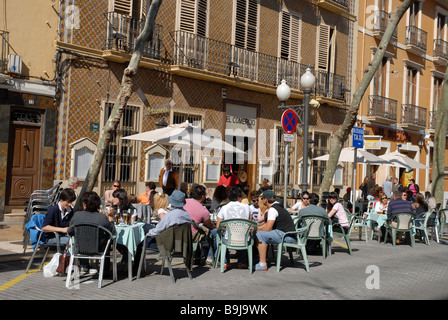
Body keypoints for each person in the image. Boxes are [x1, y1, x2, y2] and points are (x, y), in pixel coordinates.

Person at [69, 191, 116, 274]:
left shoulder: (76, 215)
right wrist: (111, 219)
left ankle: (85, 266)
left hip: (80, 248)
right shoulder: (102, 217)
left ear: (84, 204)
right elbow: (112, 232)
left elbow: (70, 232)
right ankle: (105, 270)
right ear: (98, 204)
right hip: (98, 248)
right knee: (106, 240)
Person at [255, 190, 296, 271]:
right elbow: (266, 225)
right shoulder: (278, 206)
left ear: (266, 199)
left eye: (263, 198)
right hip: (289, 234)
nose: (262, 200)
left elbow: (267, 228)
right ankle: (260, 259)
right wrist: (258, 227)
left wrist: (256, 229)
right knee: (260, 232)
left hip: (286, 236)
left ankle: (262, 264)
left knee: (260, 235)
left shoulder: (273, 210)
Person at [216, 186, 251, 269]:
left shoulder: (224, 208)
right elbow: (250, 223)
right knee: (244, 234)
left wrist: (225, 228)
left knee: (221, 235)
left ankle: (225, 261)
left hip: (229, 239)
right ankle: (242, 262)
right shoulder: (247, 207)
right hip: (244, 240)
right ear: (239, 197)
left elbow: (218, 226)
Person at [183, 184, 216, 265]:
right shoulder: (202, 210)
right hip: (193, 235)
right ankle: (210, 257)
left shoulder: (184, 202)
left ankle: (197, 256)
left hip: (181, 232)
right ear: (202, 197)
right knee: (215, 232)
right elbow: (209, 225)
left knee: (198, 228)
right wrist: (215, 226)